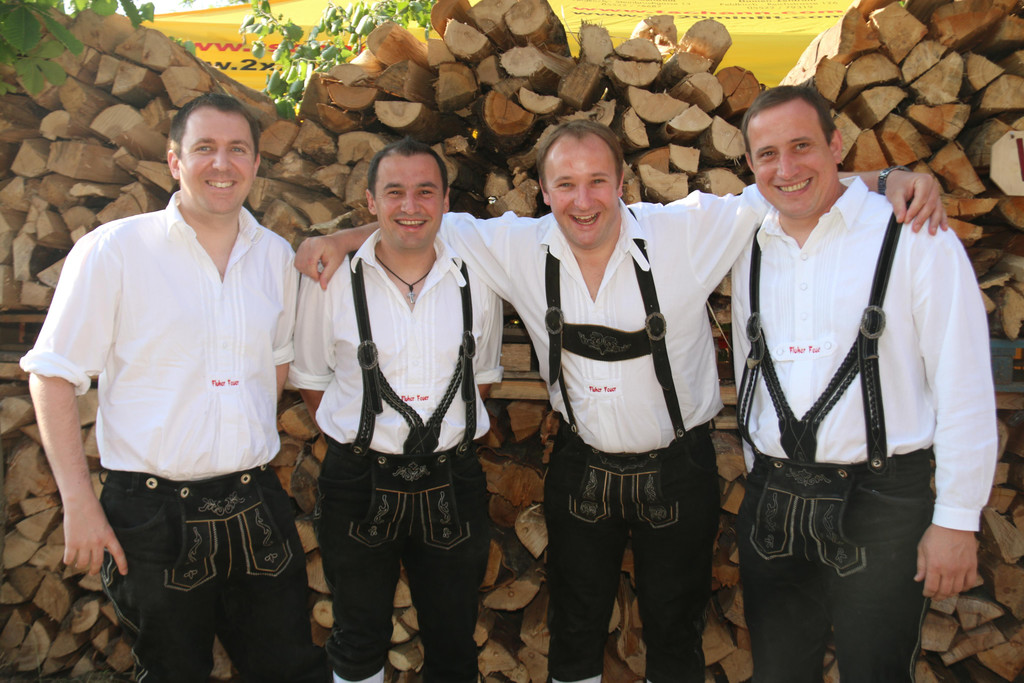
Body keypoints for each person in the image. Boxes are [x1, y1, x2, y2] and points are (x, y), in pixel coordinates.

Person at [296, 120, 945, 683]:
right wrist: (338, 241)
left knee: (675, 630)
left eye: (597, 182)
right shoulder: (514, 245)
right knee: (574, 628)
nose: (583, 201)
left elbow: (786, 185)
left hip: (678, 469)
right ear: (543, 191)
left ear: (623, 183)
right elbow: (414, 219)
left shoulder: (685, 232)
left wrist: (889, 178)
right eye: (566, 185)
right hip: (582, 468)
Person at [21, 93, 327, 683]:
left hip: (254, 503)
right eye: (204, 148)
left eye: (237, 149)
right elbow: (52, 374)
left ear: (256, 163)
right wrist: (79, 503)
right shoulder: (115, 250)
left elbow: (276, 364)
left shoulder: (274, 256)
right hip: (152, 516)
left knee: (289, 670)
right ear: (174, 160)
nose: (222, 164)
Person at [731, 85, 997, 682]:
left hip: (882, 503)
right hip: (773, 497)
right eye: (768, 154)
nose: (786, 168)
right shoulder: (745, 237)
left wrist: (958, 518)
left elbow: (963, 381)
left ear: (836, 145)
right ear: (750, 164)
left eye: (802, 146)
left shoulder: (914, 233)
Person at [290, 138, 503, 683]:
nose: (410, 206)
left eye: (425, 191)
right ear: (370, 201)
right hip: (358, 482)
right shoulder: (330, 281)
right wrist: (365, 439)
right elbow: (312, 381)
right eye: (394, 192)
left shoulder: (478, 279)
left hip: (453, 480)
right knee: (357, 638)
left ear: (446, 200)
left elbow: (480, 379)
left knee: (454, 640)